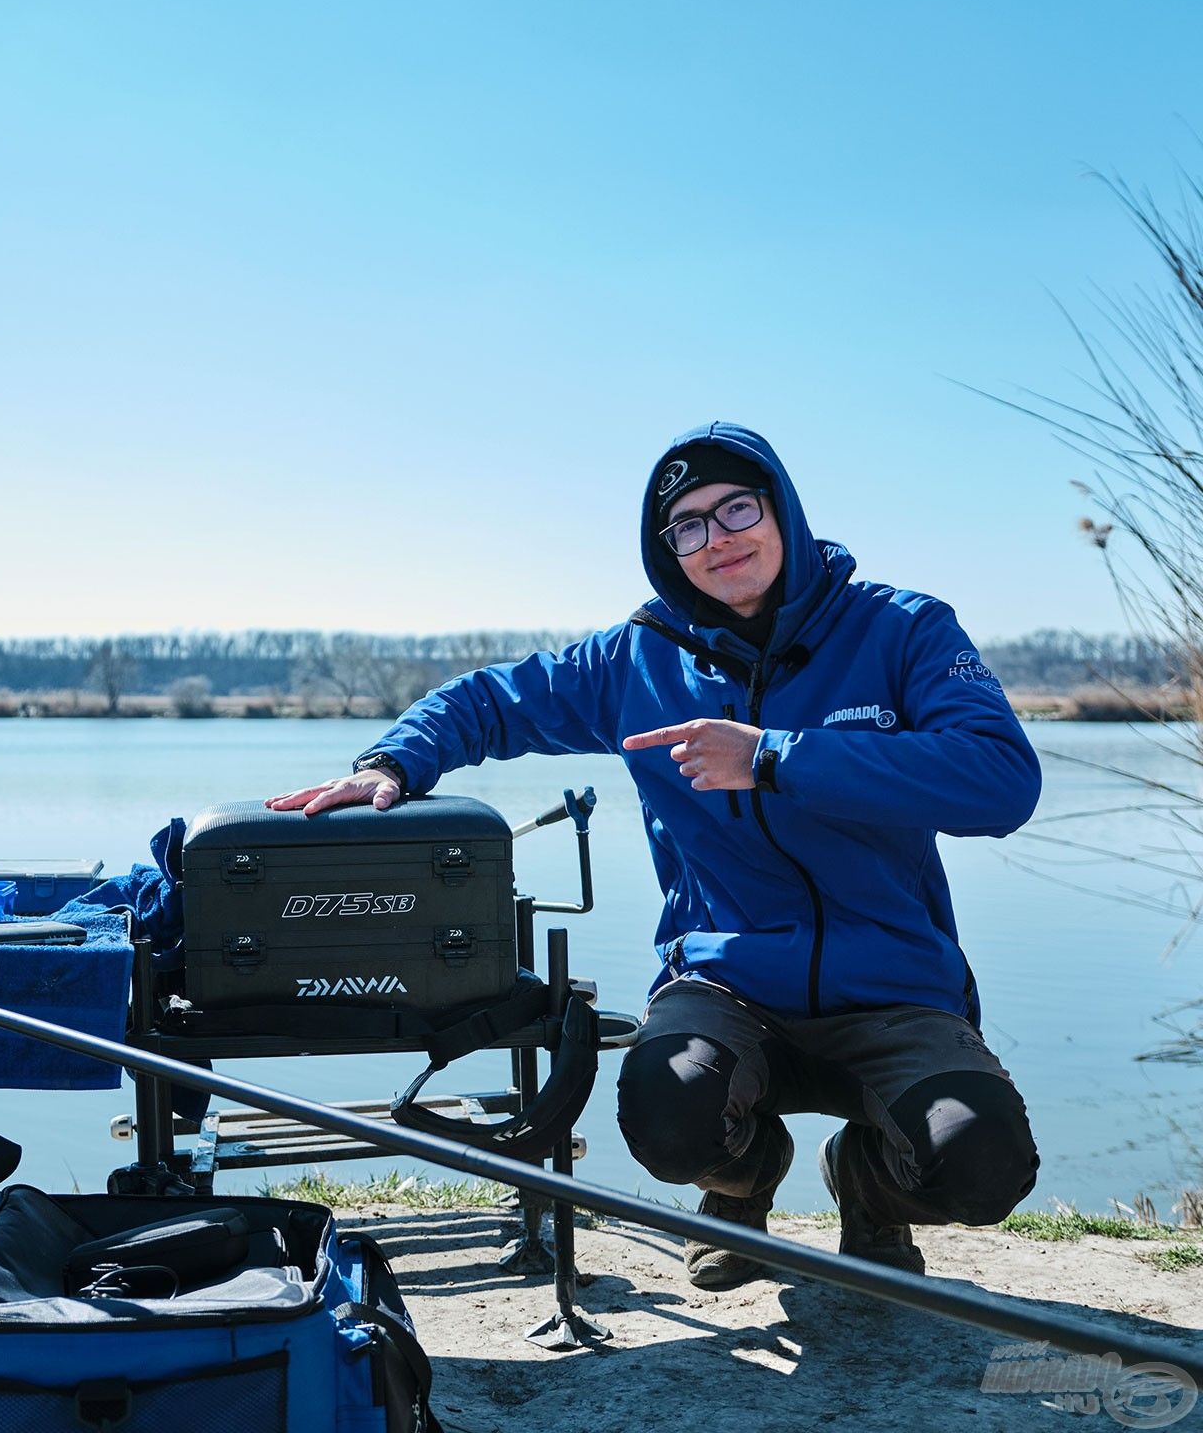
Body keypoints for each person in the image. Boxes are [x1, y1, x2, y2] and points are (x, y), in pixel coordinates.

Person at [265, 421, 1041, 1289]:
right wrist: (392, 763)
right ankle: (741, 1193)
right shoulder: (641, 658)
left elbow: (1003, 783)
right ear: (668, 549)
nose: (718, 538)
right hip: (728, 984)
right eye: (689, 525)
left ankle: (867, 1186)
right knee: (667, 1111)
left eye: (737, 508)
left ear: (782, 509)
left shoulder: (902, 630)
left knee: (981, 1165)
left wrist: (777, 757)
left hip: (899, 988)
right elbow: (489, 701)